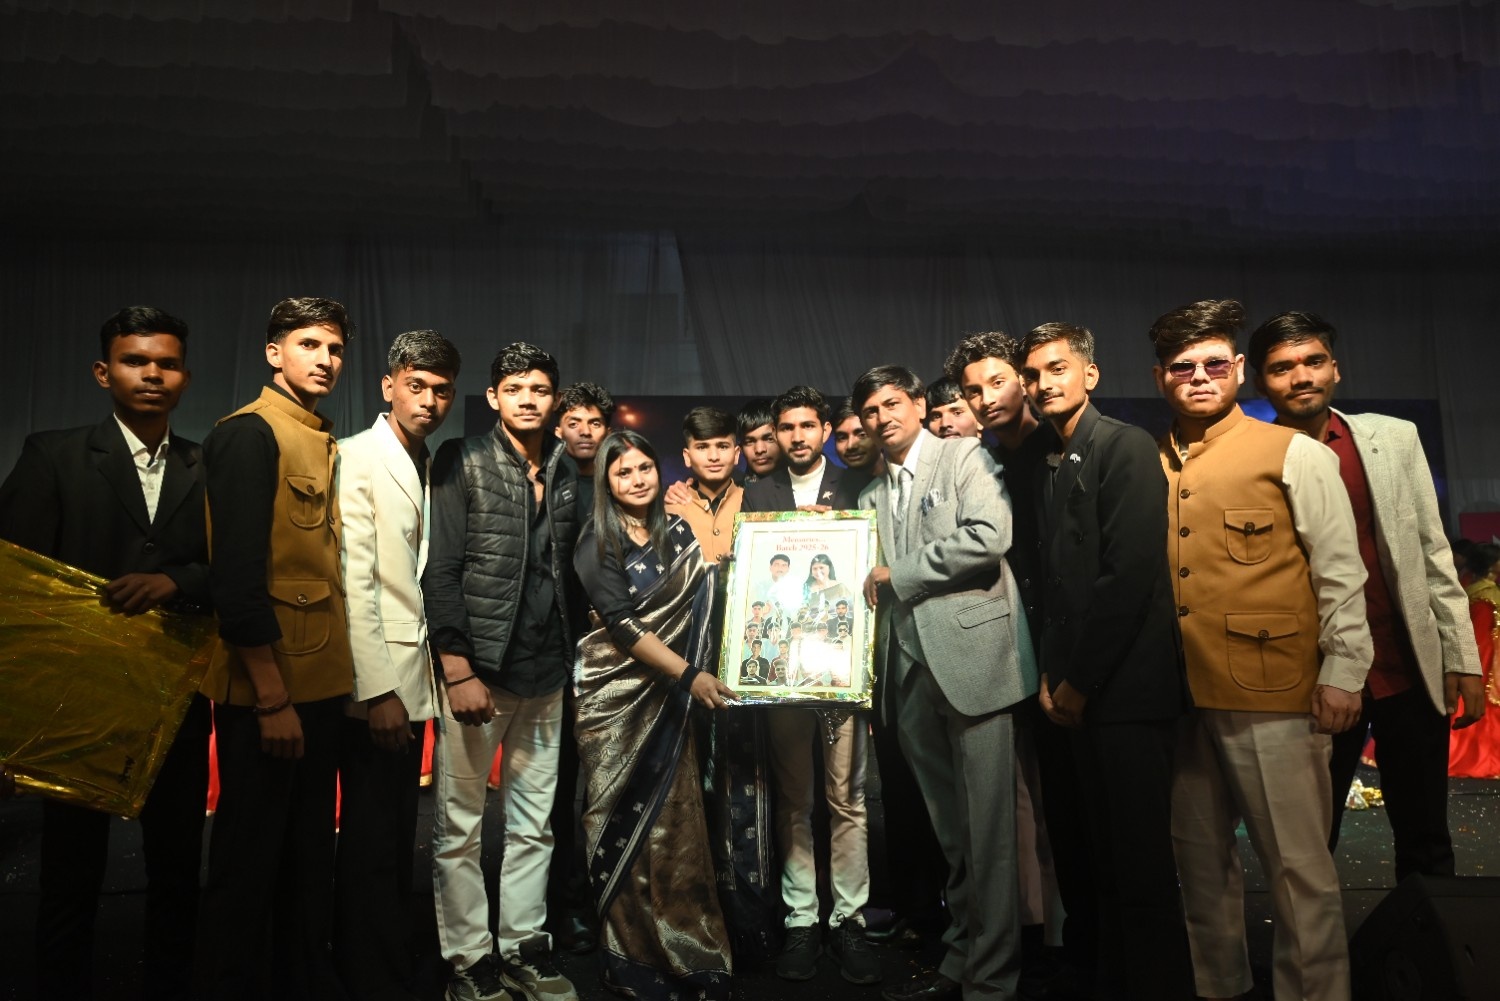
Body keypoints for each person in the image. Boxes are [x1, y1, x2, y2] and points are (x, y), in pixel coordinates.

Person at [1149, 299, 1373, 1001]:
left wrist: (1344, 673)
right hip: (1181, 697)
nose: (1199, 376)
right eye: (1183, 366)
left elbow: (1340, 572)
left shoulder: (1295, 454)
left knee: (1299, 870)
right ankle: (1218, 987)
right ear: (1160, 377)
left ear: (1240, 369)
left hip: (1275, 692)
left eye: (1215, 364)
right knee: (1198, 865)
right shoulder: (1149, 460)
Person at [0, 305, 212, 1001]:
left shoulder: (206, 464)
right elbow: (15, 583)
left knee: (176, 871)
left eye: (167, 363)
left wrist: (178, 580)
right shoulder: (53, 454)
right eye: (135, 360)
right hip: (76, 702)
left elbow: (239, 570)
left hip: (173, 701)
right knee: (70, 874)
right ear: (103, 371)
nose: (152, 374)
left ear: (184, 377)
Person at [1247, 309, 1484, 877]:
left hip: (1407, 662)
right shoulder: (1253, 456)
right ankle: (1324, 940)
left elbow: (1433, 553)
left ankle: (1426, 936)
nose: (1301, 376)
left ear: (1335, 369)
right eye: (1282, 368)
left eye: (1313, 361)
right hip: (1314, 676)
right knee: (1310, 843)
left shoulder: (1393, 438)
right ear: (1261, 381)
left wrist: (1462, 657)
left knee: (1427, 839)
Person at [1017, 322, 1194, 999]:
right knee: (1102, 862)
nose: (1044, 384)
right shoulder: (1050, 456)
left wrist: (1078, 683)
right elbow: (1053, 588)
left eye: (1057, 368)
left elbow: (1128, 579)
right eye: (1033, 374)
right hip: (1075, 691)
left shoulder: (1124, 446)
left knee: (1142, 867)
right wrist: (1050, 677)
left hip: (1125, 692)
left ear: (1090, 374)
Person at [854, 364, 1037, 1001]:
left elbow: (990, 536)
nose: (883, 417)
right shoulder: (869, 496)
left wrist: (898, 574)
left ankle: (993, 978)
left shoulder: (963, 456)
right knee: (952, 832)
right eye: (871, 410)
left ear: (916, 403)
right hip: (907, 674)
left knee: (989, 833)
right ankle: (962, 955)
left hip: (976, 662)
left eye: (892, 403)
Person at [194, 296, 357, 1000]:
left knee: (306, 857)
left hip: (316, 685)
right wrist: (269, 699)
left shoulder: (314, 435)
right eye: (309, 344)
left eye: (336, 348)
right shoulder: (248, 434)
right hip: (272, 691)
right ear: (274, 352)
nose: (326, 359)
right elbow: (236, 581)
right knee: (248, 864)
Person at [422, 342, 581, 1001]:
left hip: (546, 673)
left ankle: (523, 948)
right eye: (514, 388)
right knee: (459, 825)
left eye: (539, 389)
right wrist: (457, 669)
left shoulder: (568, 470)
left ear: (554, 400)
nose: (527, 399)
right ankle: (468, 959)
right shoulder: (461, 458)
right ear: (493, 397)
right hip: (480, 673)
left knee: (533, 825)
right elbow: (440, 569)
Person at [571, 430, 738, 998]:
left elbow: (709, 593)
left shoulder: (677, 533)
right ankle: (631, 957)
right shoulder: (596, 541)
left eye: (645, 467)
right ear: (606, 481)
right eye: (624, 472)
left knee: (678, 825)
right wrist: (690, 676)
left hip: (671, 703)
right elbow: (621, 627)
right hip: (614, 701)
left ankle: (690, 950)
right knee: (622, 824)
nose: (637, 479)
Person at [332, 330, 460, 1000]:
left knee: (394, 832)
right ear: (389, 386)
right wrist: (376, 690)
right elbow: (354, 583)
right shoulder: (355, 456)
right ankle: (367, 970)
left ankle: (385, 956)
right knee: (371, 836)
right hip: (377, 684)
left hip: (416, 676)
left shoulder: (430, 460)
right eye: (417, 386)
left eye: (442, 390)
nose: (429, 400)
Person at [742, 385, 877, 986]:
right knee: (793, 799)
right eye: (786, 427)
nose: (796, 437)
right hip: (783, 673)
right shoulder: (757, 492)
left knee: (847, 800)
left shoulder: (857, 485)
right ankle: (802, 919)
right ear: (775, 433)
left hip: (840, 669)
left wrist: (839, 530)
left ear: (825, 429)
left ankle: (849, 920)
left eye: (807, 426)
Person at [946, 329, 1058, 988]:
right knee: (1022, 802)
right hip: (1011, 647)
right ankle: (1038, 938)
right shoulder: (985, 459)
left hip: (1067, 649)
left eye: (996, 382)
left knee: (1066, 803)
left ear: (1023, 380)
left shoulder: (1061, 447)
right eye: (972, 390)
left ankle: (1072, 943)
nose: (985, 398)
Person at [550, 381, 614, 955]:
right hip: (559, 650)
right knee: (559, 784)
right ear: (558, 427)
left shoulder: (620, 480)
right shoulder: (548, 481)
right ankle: (563, 902)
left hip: (615, 650)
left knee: (608, 781)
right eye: (574, 421)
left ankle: (610, 897)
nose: (585, 431)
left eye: (594, 422)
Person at [665, 406, 742, 563]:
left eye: (723, 446)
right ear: (687, 457)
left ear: (736, 454)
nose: (713, 457)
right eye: (702, 447)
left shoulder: (752, 502)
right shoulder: (671, 508)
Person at [1451, 543, 1500, 777]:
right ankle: (1480, 759)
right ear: (1492, 565)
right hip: (1486, 661)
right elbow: (1480, 636)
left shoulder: (1476, 590)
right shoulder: (1486, 595)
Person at [554, 382, 614, 521]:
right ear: (559, 433)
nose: (585, 432)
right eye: (573, 424)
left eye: (595, 424)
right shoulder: (543, 483)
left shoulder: (620, 483)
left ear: (608, 434)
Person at [738, 398, 782, 482]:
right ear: (741, 448)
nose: (759, 449)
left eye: (769, 439)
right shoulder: (735, 488)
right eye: (750, 442)